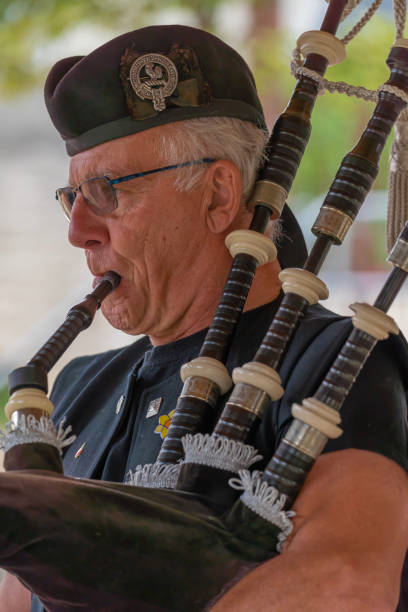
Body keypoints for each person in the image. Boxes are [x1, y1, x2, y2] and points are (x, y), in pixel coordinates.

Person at [1, 24, 407, 612]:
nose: (78, 231)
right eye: (72, 198)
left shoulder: (337, 362)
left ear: (218, 195)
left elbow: (346, 583)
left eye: (107, 191)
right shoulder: (77, 389)